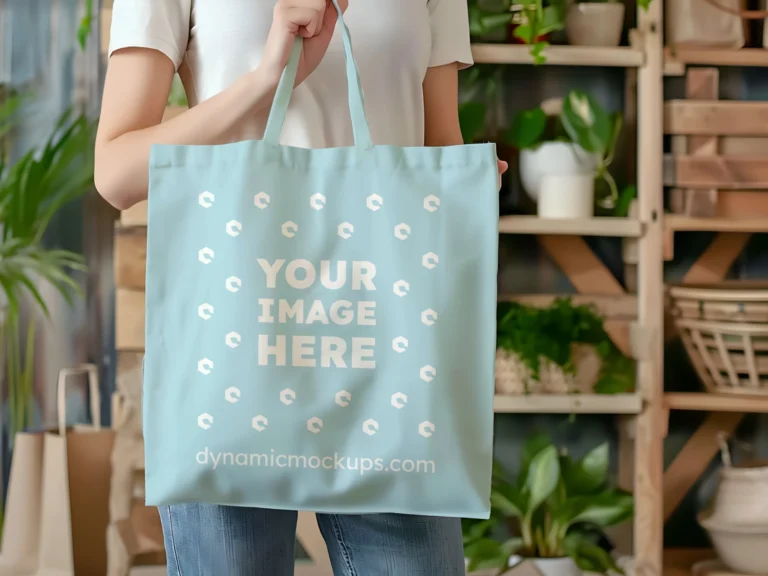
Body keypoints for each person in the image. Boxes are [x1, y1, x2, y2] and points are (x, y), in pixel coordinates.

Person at [95, 0, 506, 574]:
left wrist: (467, 187)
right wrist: (267, 78)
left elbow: (438, 142)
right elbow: (115, 173)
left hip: (387, 345)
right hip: (234, 334)